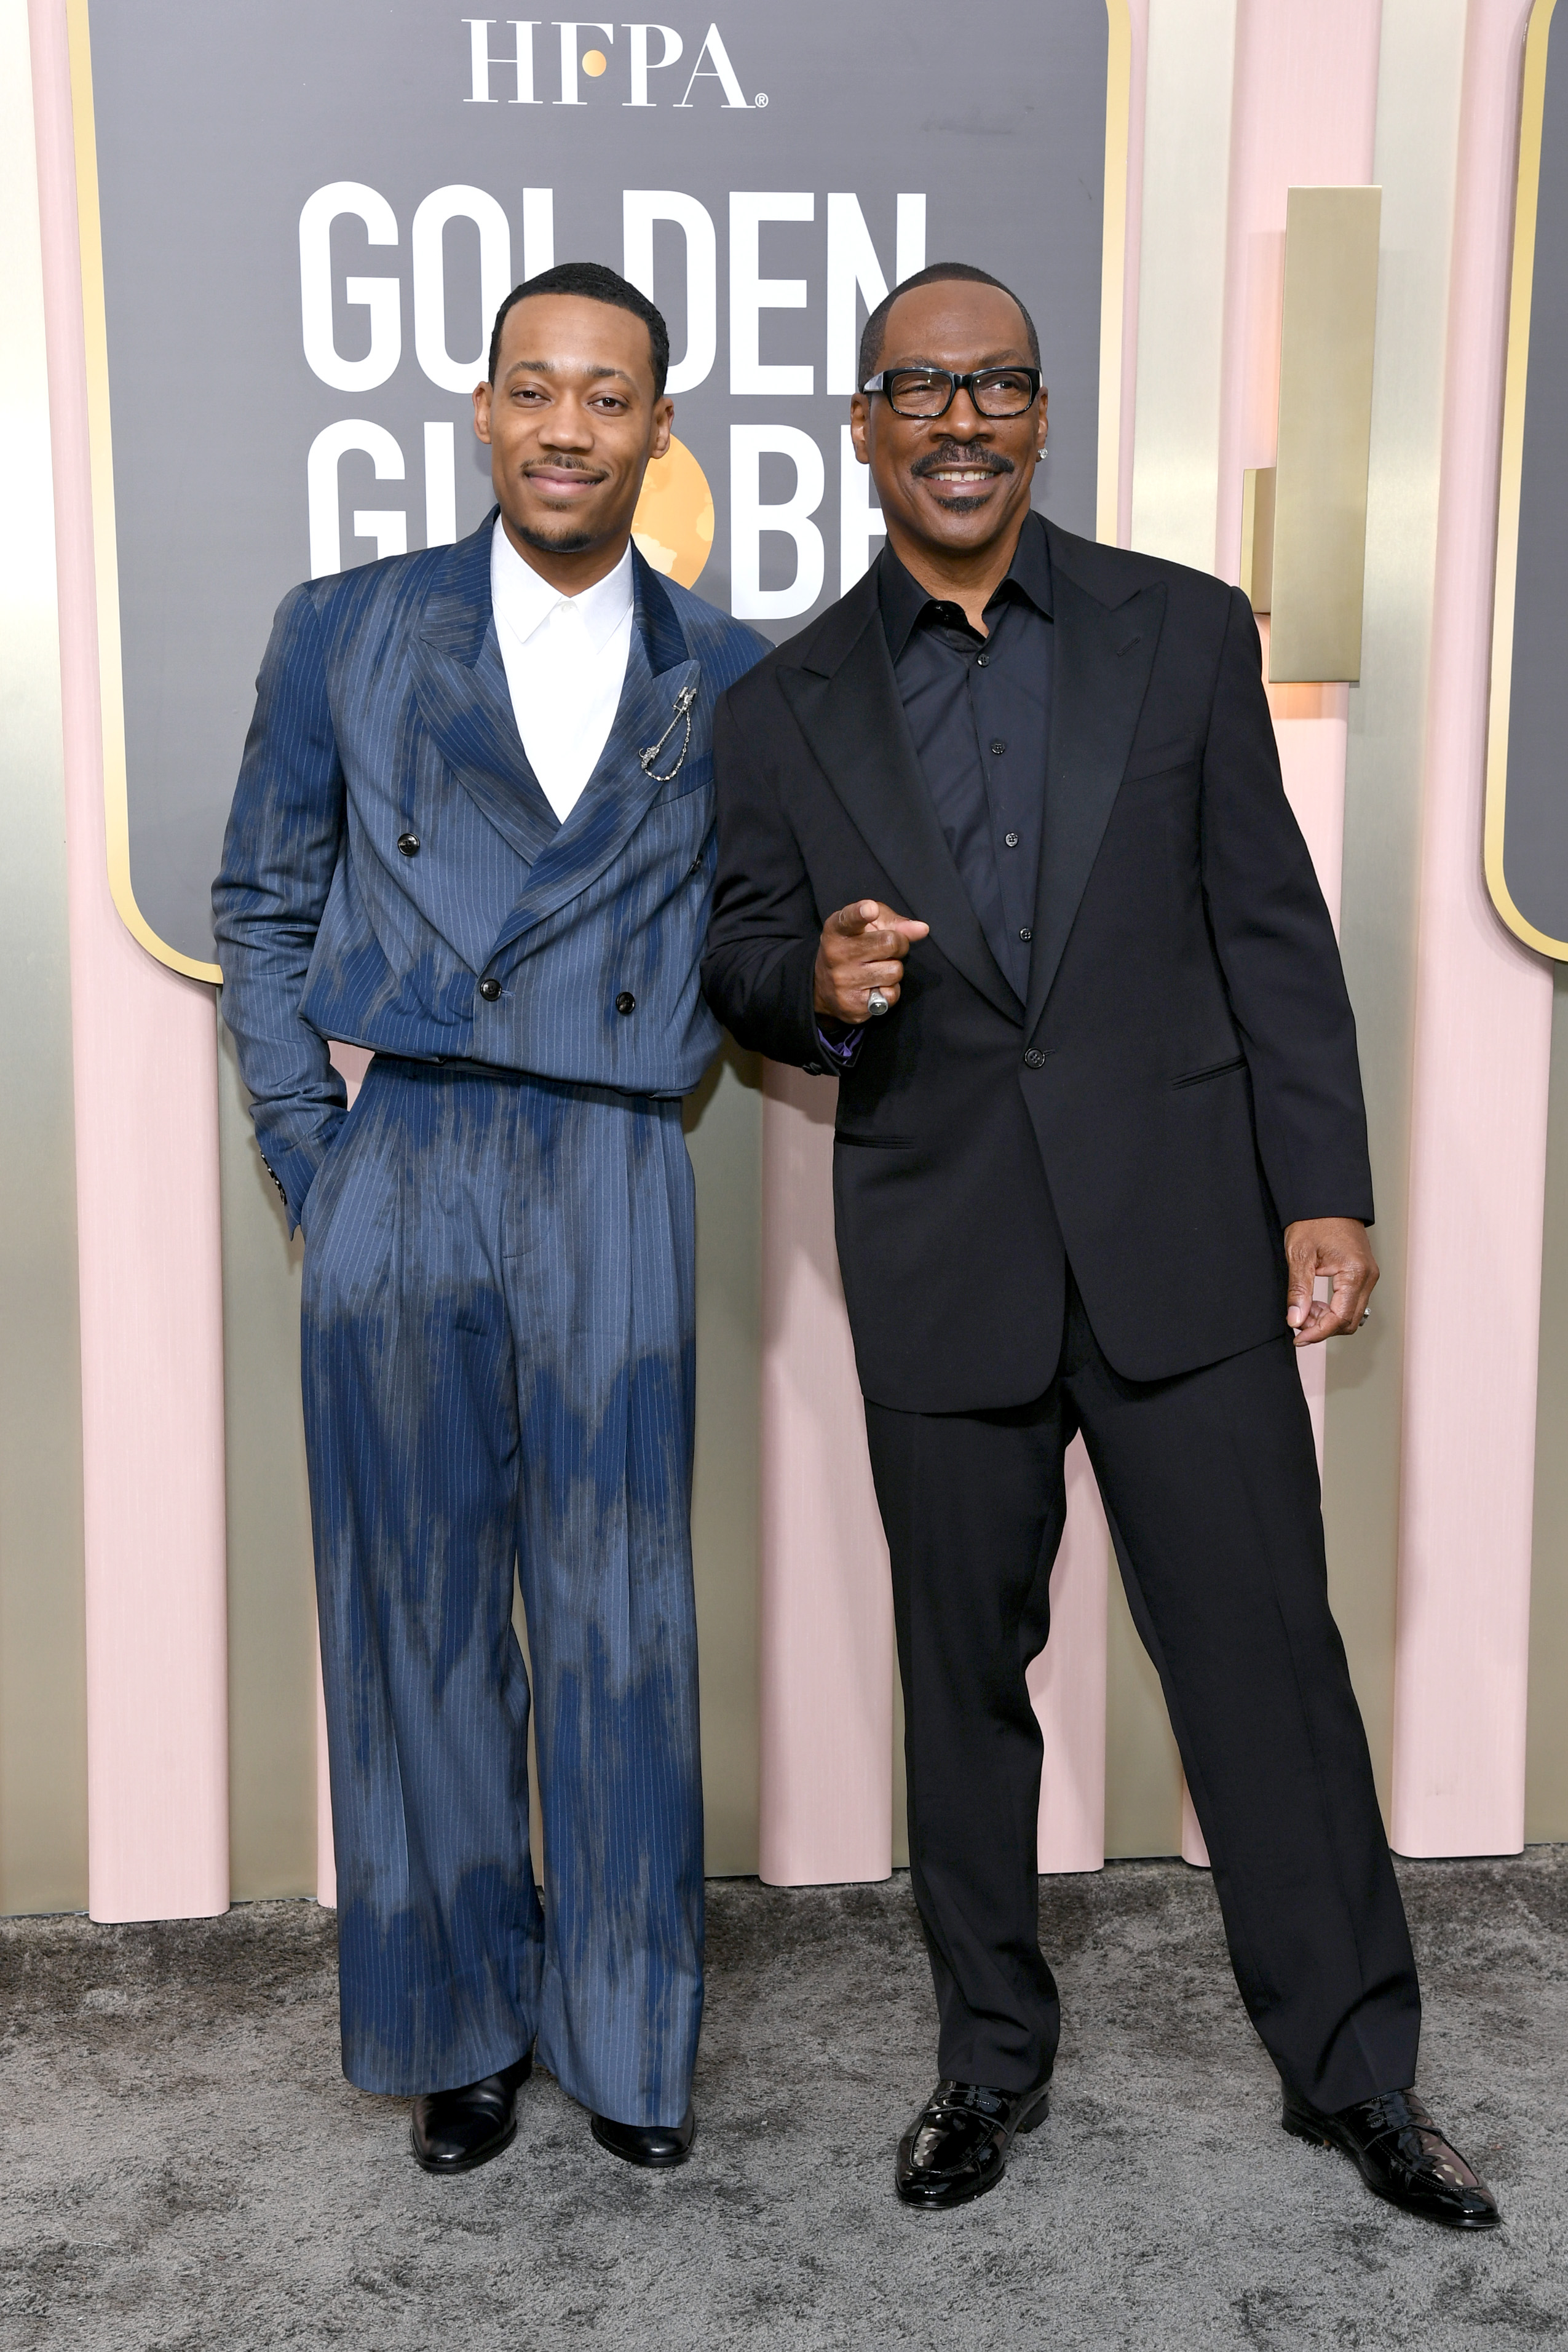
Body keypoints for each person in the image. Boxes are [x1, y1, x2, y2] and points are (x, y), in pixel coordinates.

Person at [702, 262, 1499, 2230]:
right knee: (963, 1686)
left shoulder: (1183, 631)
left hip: (1188, 1250)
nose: (961, 420)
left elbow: (1272, 928)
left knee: (1267, 1676)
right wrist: (809, 980)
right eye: (921, 389)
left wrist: (1324, 1183)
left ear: (1041, 418)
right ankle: (987, 2060)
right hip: (944, 1259)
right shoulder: (777, 701)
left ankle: (1356, 2075)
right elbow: (734, 957)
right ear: (864, 427)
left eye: (998, 386)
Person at [215, 261, 764, 2176]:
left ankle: (626, 2037)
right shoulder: (348, 630)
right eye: (535, 387)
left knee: (622, 1622)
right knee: (415, 1620)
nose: (566, 426)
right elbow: (264, 898)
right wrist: (316, 1150)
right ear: (480, 405)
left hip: (617, 1149)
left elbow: (761, 936)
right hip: (409, 1151)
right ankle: (456, 2019)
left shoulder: (728, 670)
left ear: (657, 428)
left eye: (608, 398)